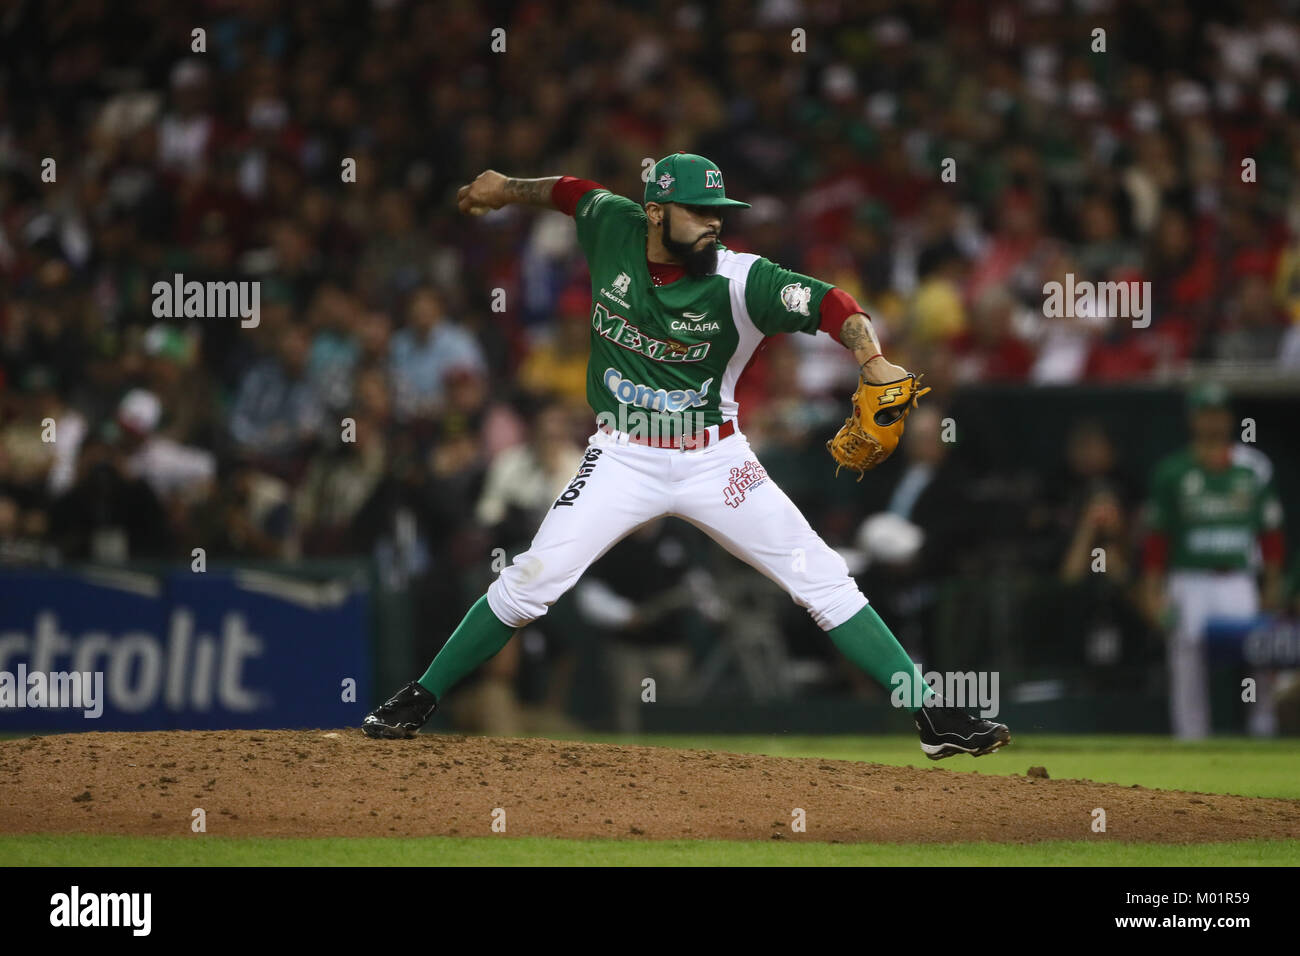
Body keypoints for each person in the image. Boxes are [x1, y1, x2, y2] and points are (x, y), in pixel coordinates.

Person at [364, 153, 1011, 759]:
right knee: (532, 579)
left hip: (715, 462)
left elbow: (832, 304)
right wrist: (505, 188)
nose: (712, 223)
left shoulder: (740, 279)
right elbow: (566, 191)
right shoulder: (611, 222)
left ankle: (932, 718)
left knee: (822, 576)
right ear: (654, 213)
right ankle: (420, 697)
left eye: (718, 212)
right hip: (622, 456)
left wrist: (871, 358)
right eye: (698, 211)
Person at [1141, 383, 1286, 738]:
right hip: (1189, 579)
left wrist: (1271, 584)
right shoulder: (1173, 471)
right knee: (1186, 660)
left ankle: (1263, 729)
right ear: (1193, 419)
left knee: (1257, 655)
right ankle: (1191, 738)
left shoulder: (1252, 467)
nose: (1212, 422)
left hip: (1237, 578)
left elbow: (1270, 534)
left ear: (1229, 418)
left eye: (1218, 413)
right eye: (1205, 414)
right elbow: (1158, 538)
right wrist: (1153, 590)